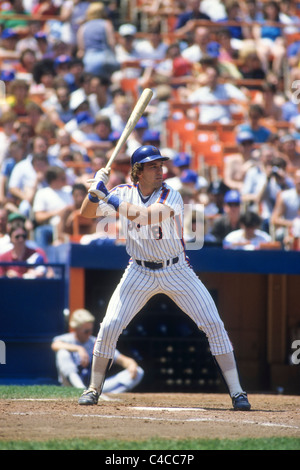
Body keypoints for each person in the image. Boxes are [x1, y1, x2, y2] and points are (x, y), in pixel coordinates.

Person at [77, 144, 251, 410]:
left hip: (176, 270)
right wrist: (95, 191)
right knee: (110, 325)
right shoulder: (123, 192)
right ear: (138, 172)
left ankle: (238, 392)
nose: (160, 170)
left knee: (214, 324)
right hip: (138, 270)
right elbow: (86, 214)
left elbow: (147, 217)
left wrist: (105, 196)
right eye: (153, 166)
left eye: (160, 165)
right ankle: (93, 388)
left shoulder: (171, 195)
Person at [51, 308, 144, 393]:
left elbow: (122, 359)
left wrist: (131, 364)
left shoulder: (95, 341)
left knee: (139, 372)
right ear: (76, 328)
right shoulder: (66, 339)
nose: (90, 333)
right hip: (71, 386)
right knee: (62, 352)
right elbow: (55, 345)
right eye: (86, 331)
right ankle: (79, 389)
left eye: (91, 330)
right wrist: (79, 349)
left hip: (93, 386)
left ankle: (104, 395)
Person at [76, 2, 119, 78]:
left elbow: (81, 49)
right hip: (104, 58)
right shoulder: (106, 24)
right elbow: (111, 42)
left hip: (88, 59)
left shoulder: (83, 27)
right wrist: (115, 56)